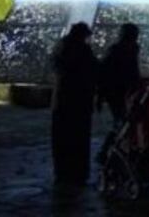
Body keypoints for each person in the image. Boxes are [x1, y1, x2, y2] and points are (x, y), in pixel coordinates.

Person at [51, 23, 98, 185]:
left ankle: (62, 171)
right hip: (79, 100)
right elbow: (93, 70)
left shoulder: (60, 46)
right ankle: (77, 172)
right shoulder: (83, 50)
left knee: (61, 138)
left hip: (61, 100)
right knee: (79, 138)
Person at [97, 23, 141, 124]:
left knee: (120, 116)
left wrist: (101, 93)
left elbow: (105, 70)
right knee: (124, 116)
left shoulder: (116, 49)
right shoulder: (132, 49)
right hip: (123, 88)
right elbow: (134, 70)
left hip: (115, 88)